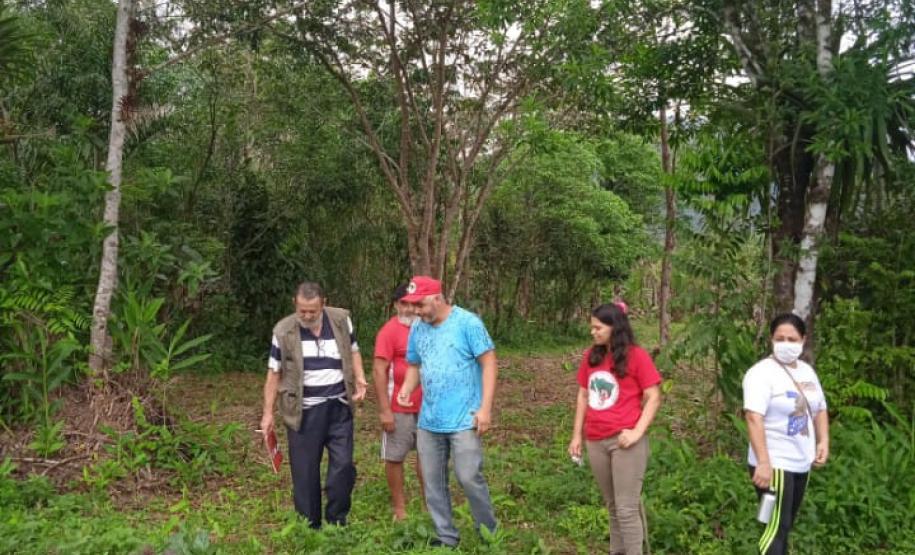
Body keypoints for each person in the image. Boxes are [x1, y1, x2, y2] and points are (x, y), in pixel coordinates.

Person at [396, 276, 498, 548]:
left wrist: (485, 409)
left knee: (468, 476)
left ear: (437, 298)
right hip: (430, 420)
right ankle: (446, 536)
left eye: (420, 305)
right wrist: (406, 389)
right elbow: (415, 365)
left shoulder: (468, 324)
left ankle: (488, 533)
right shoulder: (418, 328)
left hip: (465, 418)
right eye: (412, 305)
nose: (416, 311)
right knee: (432, 481)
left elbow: (489, 363)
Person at [260, 282, 368, 529]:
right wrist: (267, 414)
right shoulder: (283, 331)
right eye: (302, 311)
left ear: (324, 304)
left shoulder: (341, 320)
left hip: (339, 406)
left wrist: (360, 377)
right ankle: (309, 527)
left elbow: (353, 351)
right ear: (295, 305)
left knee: (343, 467)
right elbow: (273, 373)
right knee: (305, 473)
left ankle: (337, 522)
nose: (307, 316)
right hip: (304, 411)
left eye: (312, 311)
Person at [568, 303, 662, 555]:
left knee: (626, 508)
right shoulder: (592, 356)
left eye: (598, 327)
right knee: (612, 506)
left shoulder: (637, 356)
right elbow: (583, 396)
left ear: (614, 327)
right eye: (592, 327)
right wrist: (577, 435)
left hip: (625, 441)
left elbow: (653, 396)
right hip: (596, 440)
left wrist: (637, 432)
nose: (593, 332)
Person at [743, 313, 830, 555]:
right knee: (775, 527)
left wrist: (823, 440)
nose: (786, 344)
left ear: (803, 339)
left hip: (801, 461)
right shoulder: (760, 374)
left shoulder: (806, 372)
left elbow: (820, 408)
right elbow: (753, 417)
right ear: (771, 339)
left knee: (785, 525)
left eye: (792, 339)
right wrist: (763, 463)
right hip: (775, 462)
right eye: (780, 338)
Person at [373, 283, 425, 521]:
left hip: (429, 406)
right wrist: (385, 410)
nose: (408, 309)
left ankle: (430, 504)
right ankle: (400, 508)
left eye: (413, 303)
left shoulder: (428, 328)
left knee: (428, 456)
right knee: (395, 456)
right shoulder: (388, 332)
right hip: (399, 406)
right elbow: (379, 370)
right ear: (395, 305)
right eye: (403, 303)